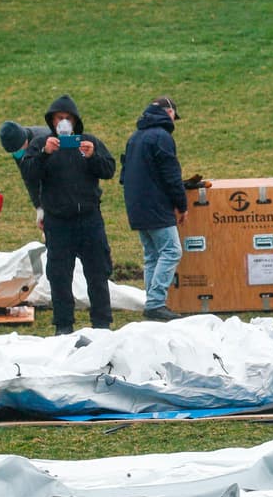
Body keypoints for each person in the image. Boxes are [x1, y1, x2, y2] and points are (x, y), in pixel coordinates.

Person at [19, 94, 117, 335]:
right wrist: (44, 153)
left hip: (90, 219)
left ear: (75, 121)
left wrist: (93, 156)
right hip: (58, 221)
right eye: (59, 118)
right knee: (59, 275)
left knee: (98, 271)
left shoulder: (88, 141)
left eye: (68, 118)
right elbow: (29, 173)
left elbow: (109, 170)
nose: (63, 122)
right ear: (52, 121)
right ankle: (63, 325)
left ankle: (102, 323)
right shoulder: (41, 144)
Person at [121, 96, 187, 322]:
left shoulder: (135, 137)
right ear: (169, 112)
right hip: (157, 205)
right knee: (171, 251)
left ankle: (152, 302)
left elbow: (125, 175)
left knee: (152, 255)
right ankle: (156, 303)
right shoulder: (161, 137)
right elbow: (171, 175)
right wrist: (181, 204)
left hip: (136, 205)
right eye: (174, 116)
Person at [0, 120, 51, 221]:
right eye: (14, 152)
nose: (18, 153)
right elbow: (29, 177)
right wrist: (39, 207)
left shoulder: (46, 141)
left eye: (19, 149)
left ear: (25, 140)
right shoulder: (18, 148)